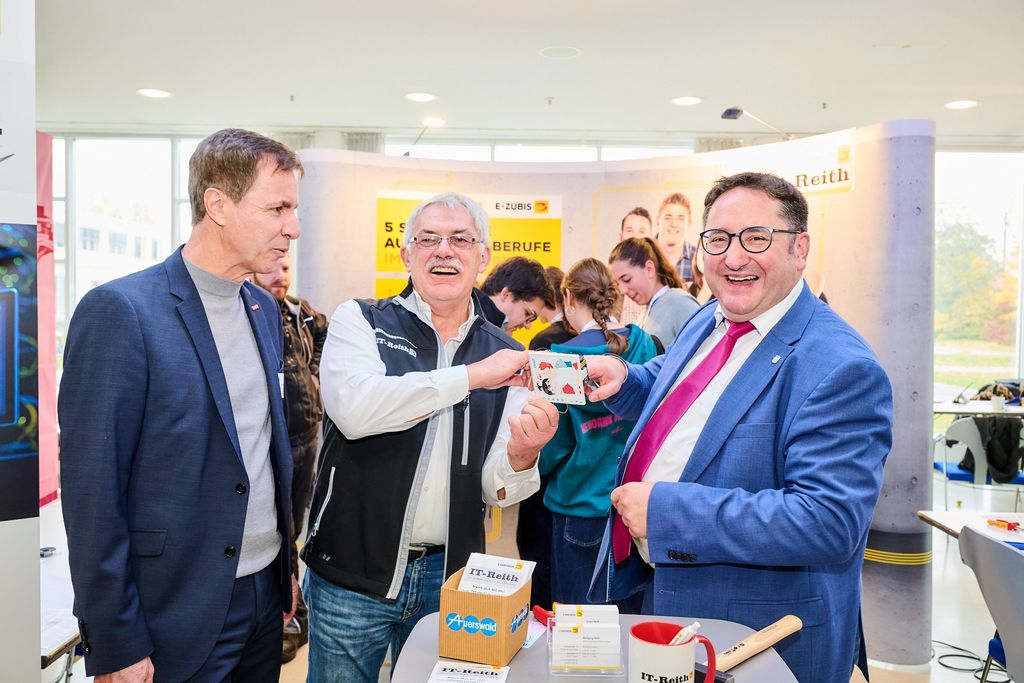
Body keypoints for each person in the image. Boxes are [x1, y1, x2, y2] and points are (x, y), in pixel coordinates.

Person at [585, 172, 893, 683]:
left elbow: (828, 520)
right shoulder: (710, 318)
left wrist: (666, 512)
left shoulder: (840, 367)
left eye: (756, 239)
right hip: (658, 594)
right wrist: (627, 380)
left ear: (800, 249)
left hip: (754, 633)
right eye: (719, 239)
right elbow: (681, 386)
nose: (732, 258)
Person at [59, 128, 301, 682]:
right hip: (174, 608)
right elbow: (92, 492)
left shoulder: (263, 310)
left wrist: (283, 566)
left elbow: (262, 451)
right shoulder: (121, 311)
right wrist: (116, 640)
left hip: (265, 596)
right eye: (277, 208)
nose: (293, 227)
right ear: (217, 204)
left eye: (294, 208)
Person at [302, 192, 559, 681]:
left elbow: (494, 488)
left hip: (449, 579)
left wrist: (523, 454)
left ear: (483, 256)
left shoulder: (504, 352)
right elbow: (357, 411)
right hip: (351, 574)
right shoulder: (361, 321)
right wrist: (472, 377)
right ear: (406, 255)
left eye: (461, 239)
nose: (445, 250)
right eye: (428, 239)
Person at [539, 258, 658, 608]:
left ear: (568, 298)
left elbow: (553, 447)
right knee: (629, 616)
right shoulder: (643, 345)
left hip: (579, 504)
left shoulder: (561, 359)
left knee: (577, 622)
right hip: (635, 503)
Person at [253, 254, 328, 663]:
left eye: (284, 269)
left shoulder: (300, 312)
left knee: (297, 526)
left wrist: (315, 373)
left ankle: (296, 611)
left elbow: (325, 336)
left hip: (307, 435)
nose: (280, 277)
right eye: (271, 269)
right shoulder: (247, 312)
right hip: (271, 443)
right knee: (279, 530)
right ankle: (285, 616)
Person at [516, 265, 571, 610]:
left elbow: (535, 414)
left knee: (538, 557)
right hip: (583, 483)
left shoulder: (546, 343)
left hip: (545, 472)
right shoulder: (632, 342)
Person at [608, 237, 699, 349]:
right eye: (617, 284)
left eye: (627, 279)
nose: (622, 290)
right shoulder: (646, 312)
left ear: (649, 269)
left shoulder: (680, 303)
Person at [478, 255, 555, 332]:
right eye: (528, 314)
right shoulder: (472, 324)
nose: (528, 326)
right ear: (506, 294)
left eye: (531, 320)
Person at [617, 208, 652, 325]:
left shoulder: (659, 280)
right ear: (621, 236)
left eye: (641, 231)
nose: (635, 237)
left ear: (650, 238)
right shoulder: (607, 279)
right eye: (629, 230)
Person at [654, 192, 697, 282]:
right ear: (658, 220)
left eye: (680, 218)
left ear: (689, 223)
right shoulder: (642, 255)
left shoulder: (698, 259)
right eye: (668, 217)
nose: (674, 224)